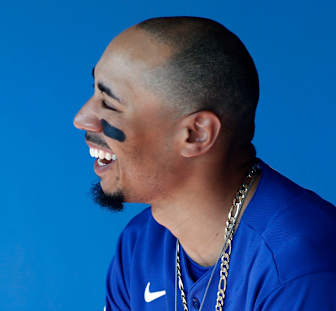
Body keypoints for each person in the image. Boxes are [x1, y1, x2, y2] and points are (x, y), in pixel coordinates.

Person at [73, 16, 336, 311]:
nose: (81, 118)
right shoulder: (140, 246)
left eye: (109, 103)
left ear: (196, 134)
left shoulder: (302, 267)